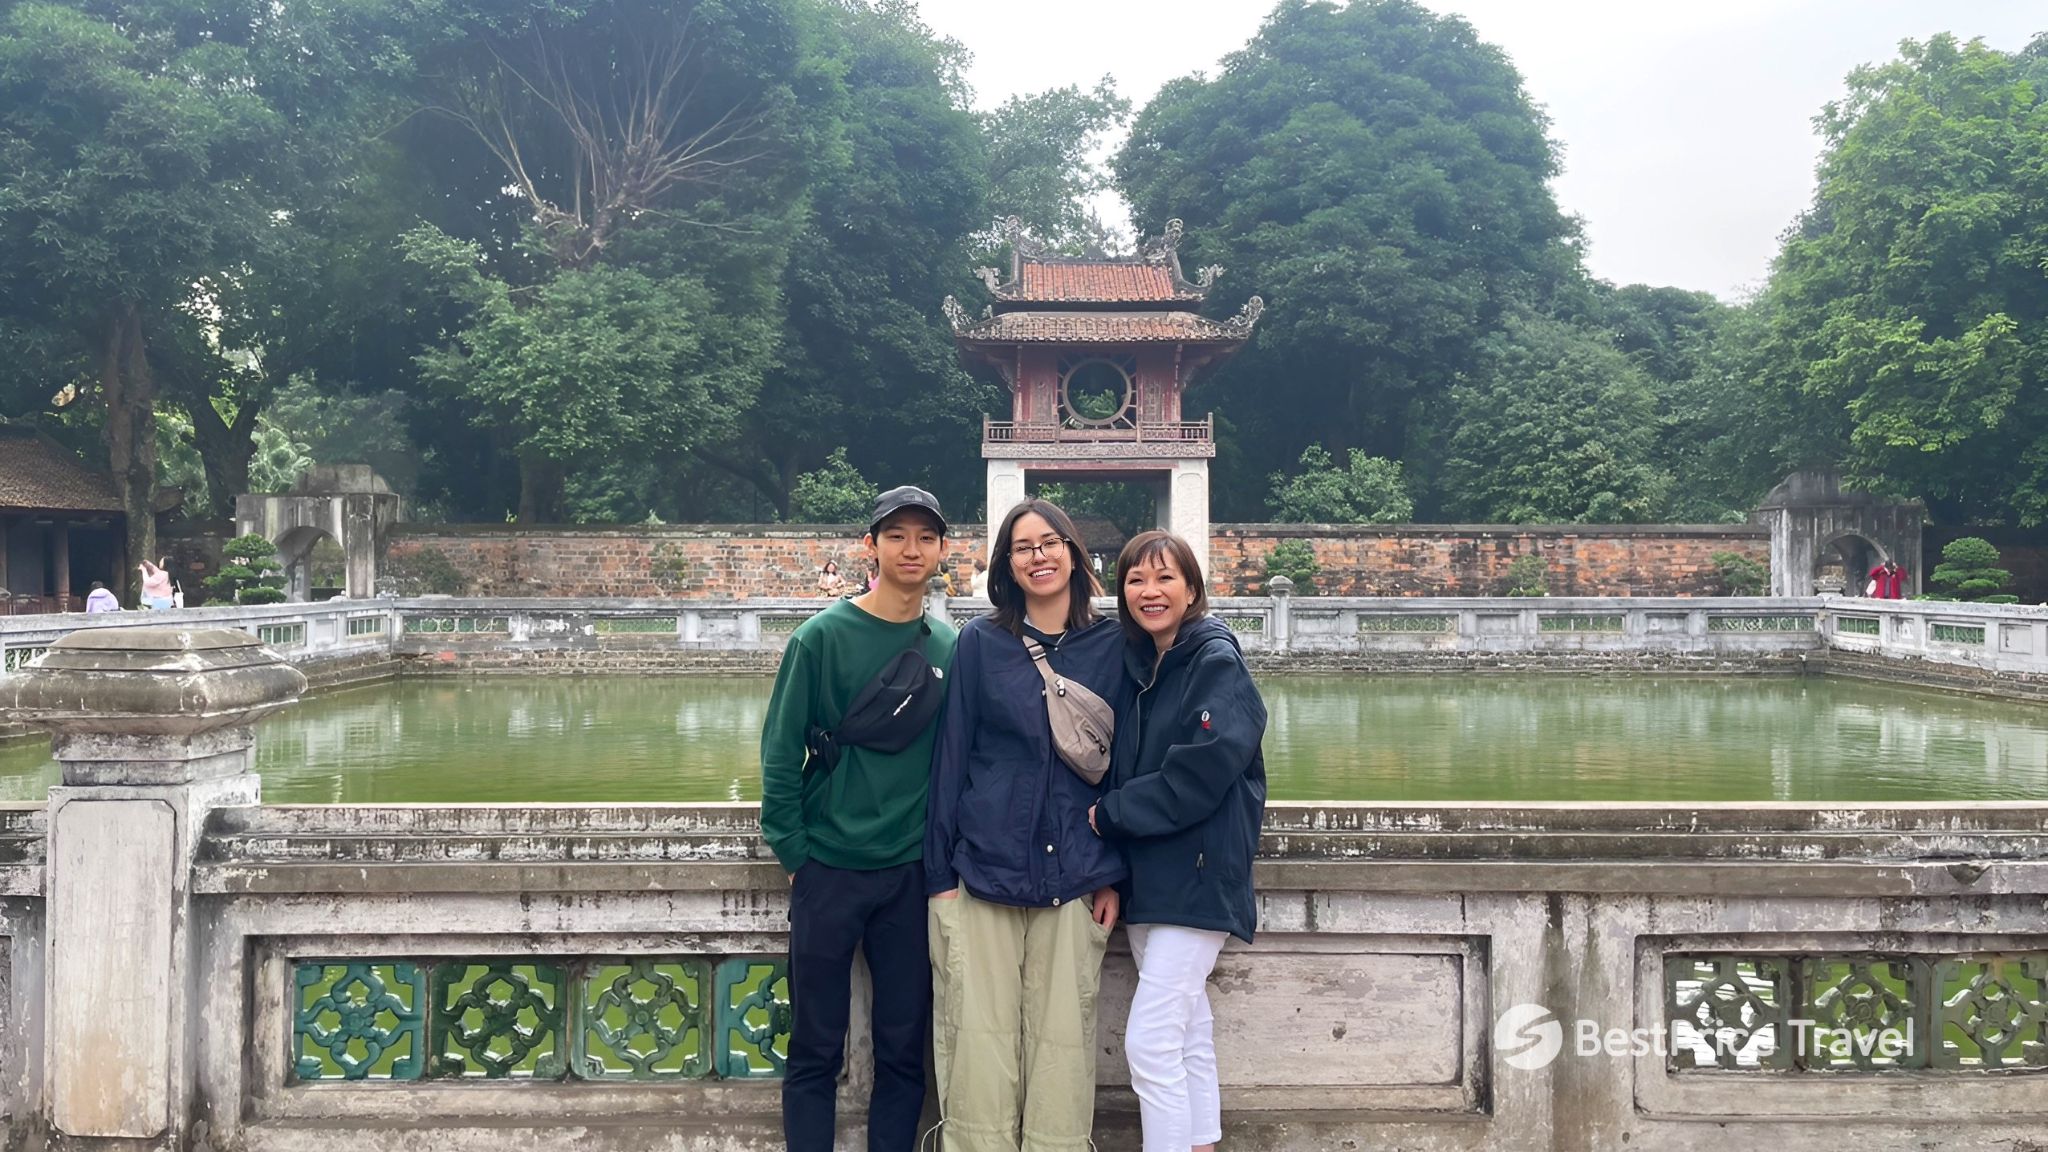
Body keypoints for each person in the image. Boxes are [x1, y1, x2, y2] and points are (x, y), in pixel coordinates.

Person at [759, 485, 959, 1152]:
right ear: (869, 546)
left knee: (904, 1051)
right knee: (816, 1045)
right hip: (830, 869)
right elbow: (781, 752)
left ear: (941, 552)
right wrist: (795, 853)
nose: (911, 548)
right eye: (896, 535)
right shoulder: (821, 639)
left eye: (924, 537)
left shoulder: (949, 647)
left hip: (909, 873)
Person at [925, 499, 1128, 1152]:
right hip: (983, 869)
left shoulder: (1114, 647)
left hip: (1076, 872)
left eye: (1049, 542)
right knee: (975, 1043)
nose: (1037, 556)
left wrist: (1114, 873)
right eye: (1022, 547)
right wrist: (940, 878)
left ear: (1074, 552)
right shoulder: (981, 644)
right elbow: (951, 759)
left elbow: (1126, 769)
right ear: (1006, 564)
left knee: (1064, 1045)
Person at [1088, 531, 1267, 1152]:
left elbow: (1199, 775)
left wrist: (1106, 816)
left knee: (1152, 1041)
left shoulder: (1215, 662)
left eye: (1165, 578)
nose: (1149, 592)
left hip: (1197, 876)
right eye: (1136, 580)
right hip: (1150, 879)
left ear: (1192, 589)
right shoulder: (1144, 668)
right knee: (1188, 1031)